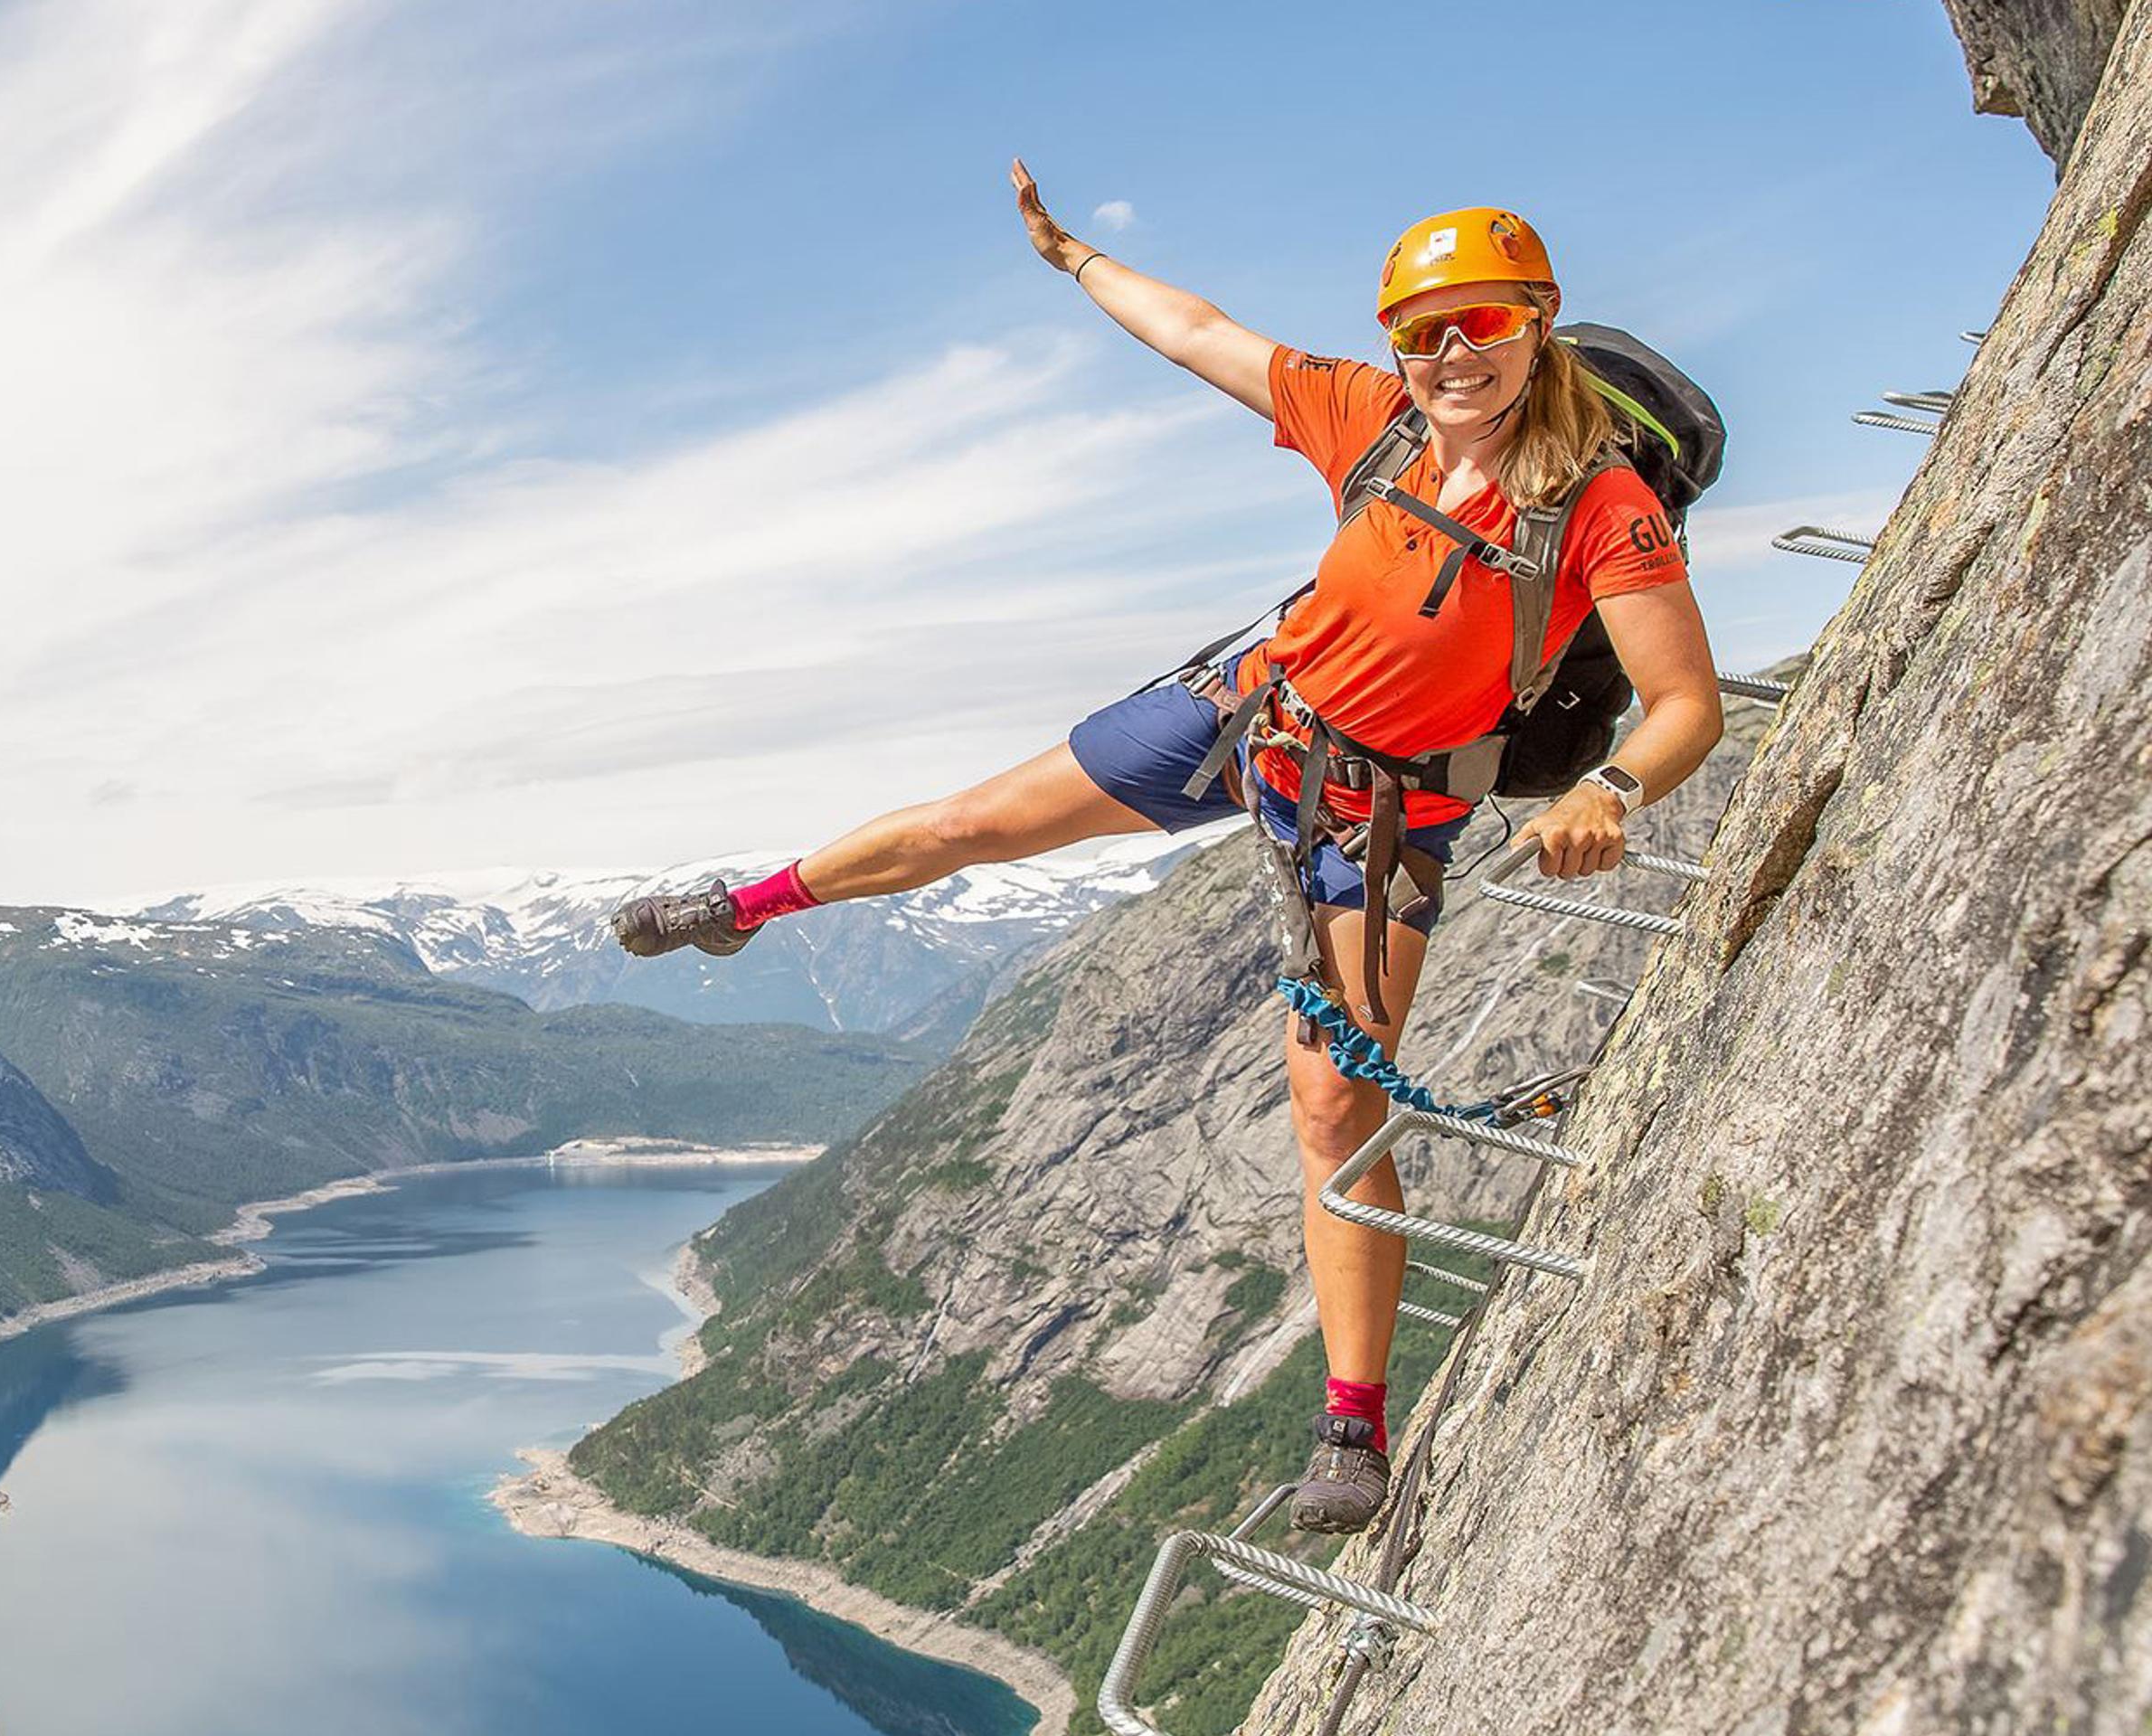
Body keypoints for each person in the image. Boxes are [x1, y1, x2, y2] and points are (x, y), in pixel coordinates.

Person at [611, 164, 1725, 1533]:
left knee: (1333, 1107)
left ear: (1538, 323)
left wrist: (1608, 788)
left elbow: (1685, 705)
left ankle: (1353, 1428)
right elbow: (1202, 335)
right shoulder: (1371, 421)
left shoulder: (1602, 504)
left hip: (1385, 815)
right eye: (1422, 331)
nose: (1450, 356)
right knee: (974, 823)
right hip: (1246, 717)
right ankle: (748, 902)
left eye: (1481, 324)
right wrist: (1075, 259)